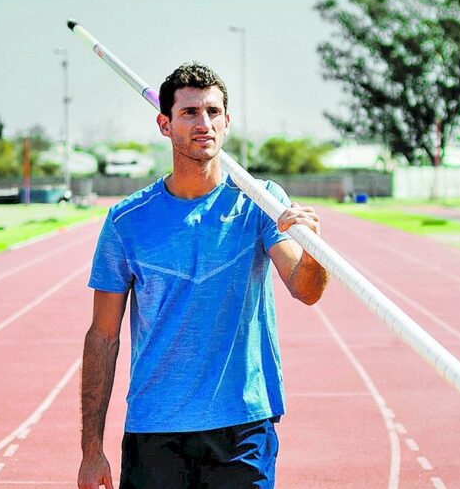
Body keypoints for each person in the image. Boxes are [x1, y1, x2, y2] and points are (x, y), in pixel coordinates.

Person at [79, 63, 329, 489]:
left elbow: (305, 290)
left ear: (227, 122)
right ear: (165, 124)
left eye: (214, 112)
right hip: (155, 427)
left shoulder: (261, 202)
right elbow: (103, 336)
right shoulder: (127, 221)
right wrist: (91, 449)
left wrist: (315, 251)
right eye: (190, 112)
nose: (204, 123)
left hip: (242, 426)